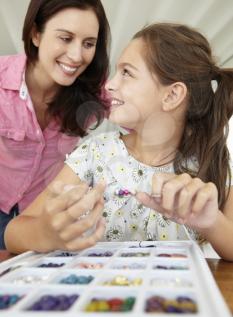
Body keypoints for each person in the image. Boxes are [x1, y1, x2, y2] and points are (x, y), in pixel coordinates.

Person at [5, 23, 233, 261]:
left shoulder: (213, 163)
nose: (109, 85)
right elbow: (13, 233)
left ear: (172, 95)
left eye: (127, 72)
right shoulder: (95, 154)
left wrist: (212, 222)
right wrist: (46, 233)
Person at [0, 0, 110, 249]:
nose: (76, 56)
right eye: (65, 38)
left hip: (44, 216)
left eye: (88, 44)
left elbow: (140, 115)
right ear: (36, 34)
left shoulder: (95, 91)